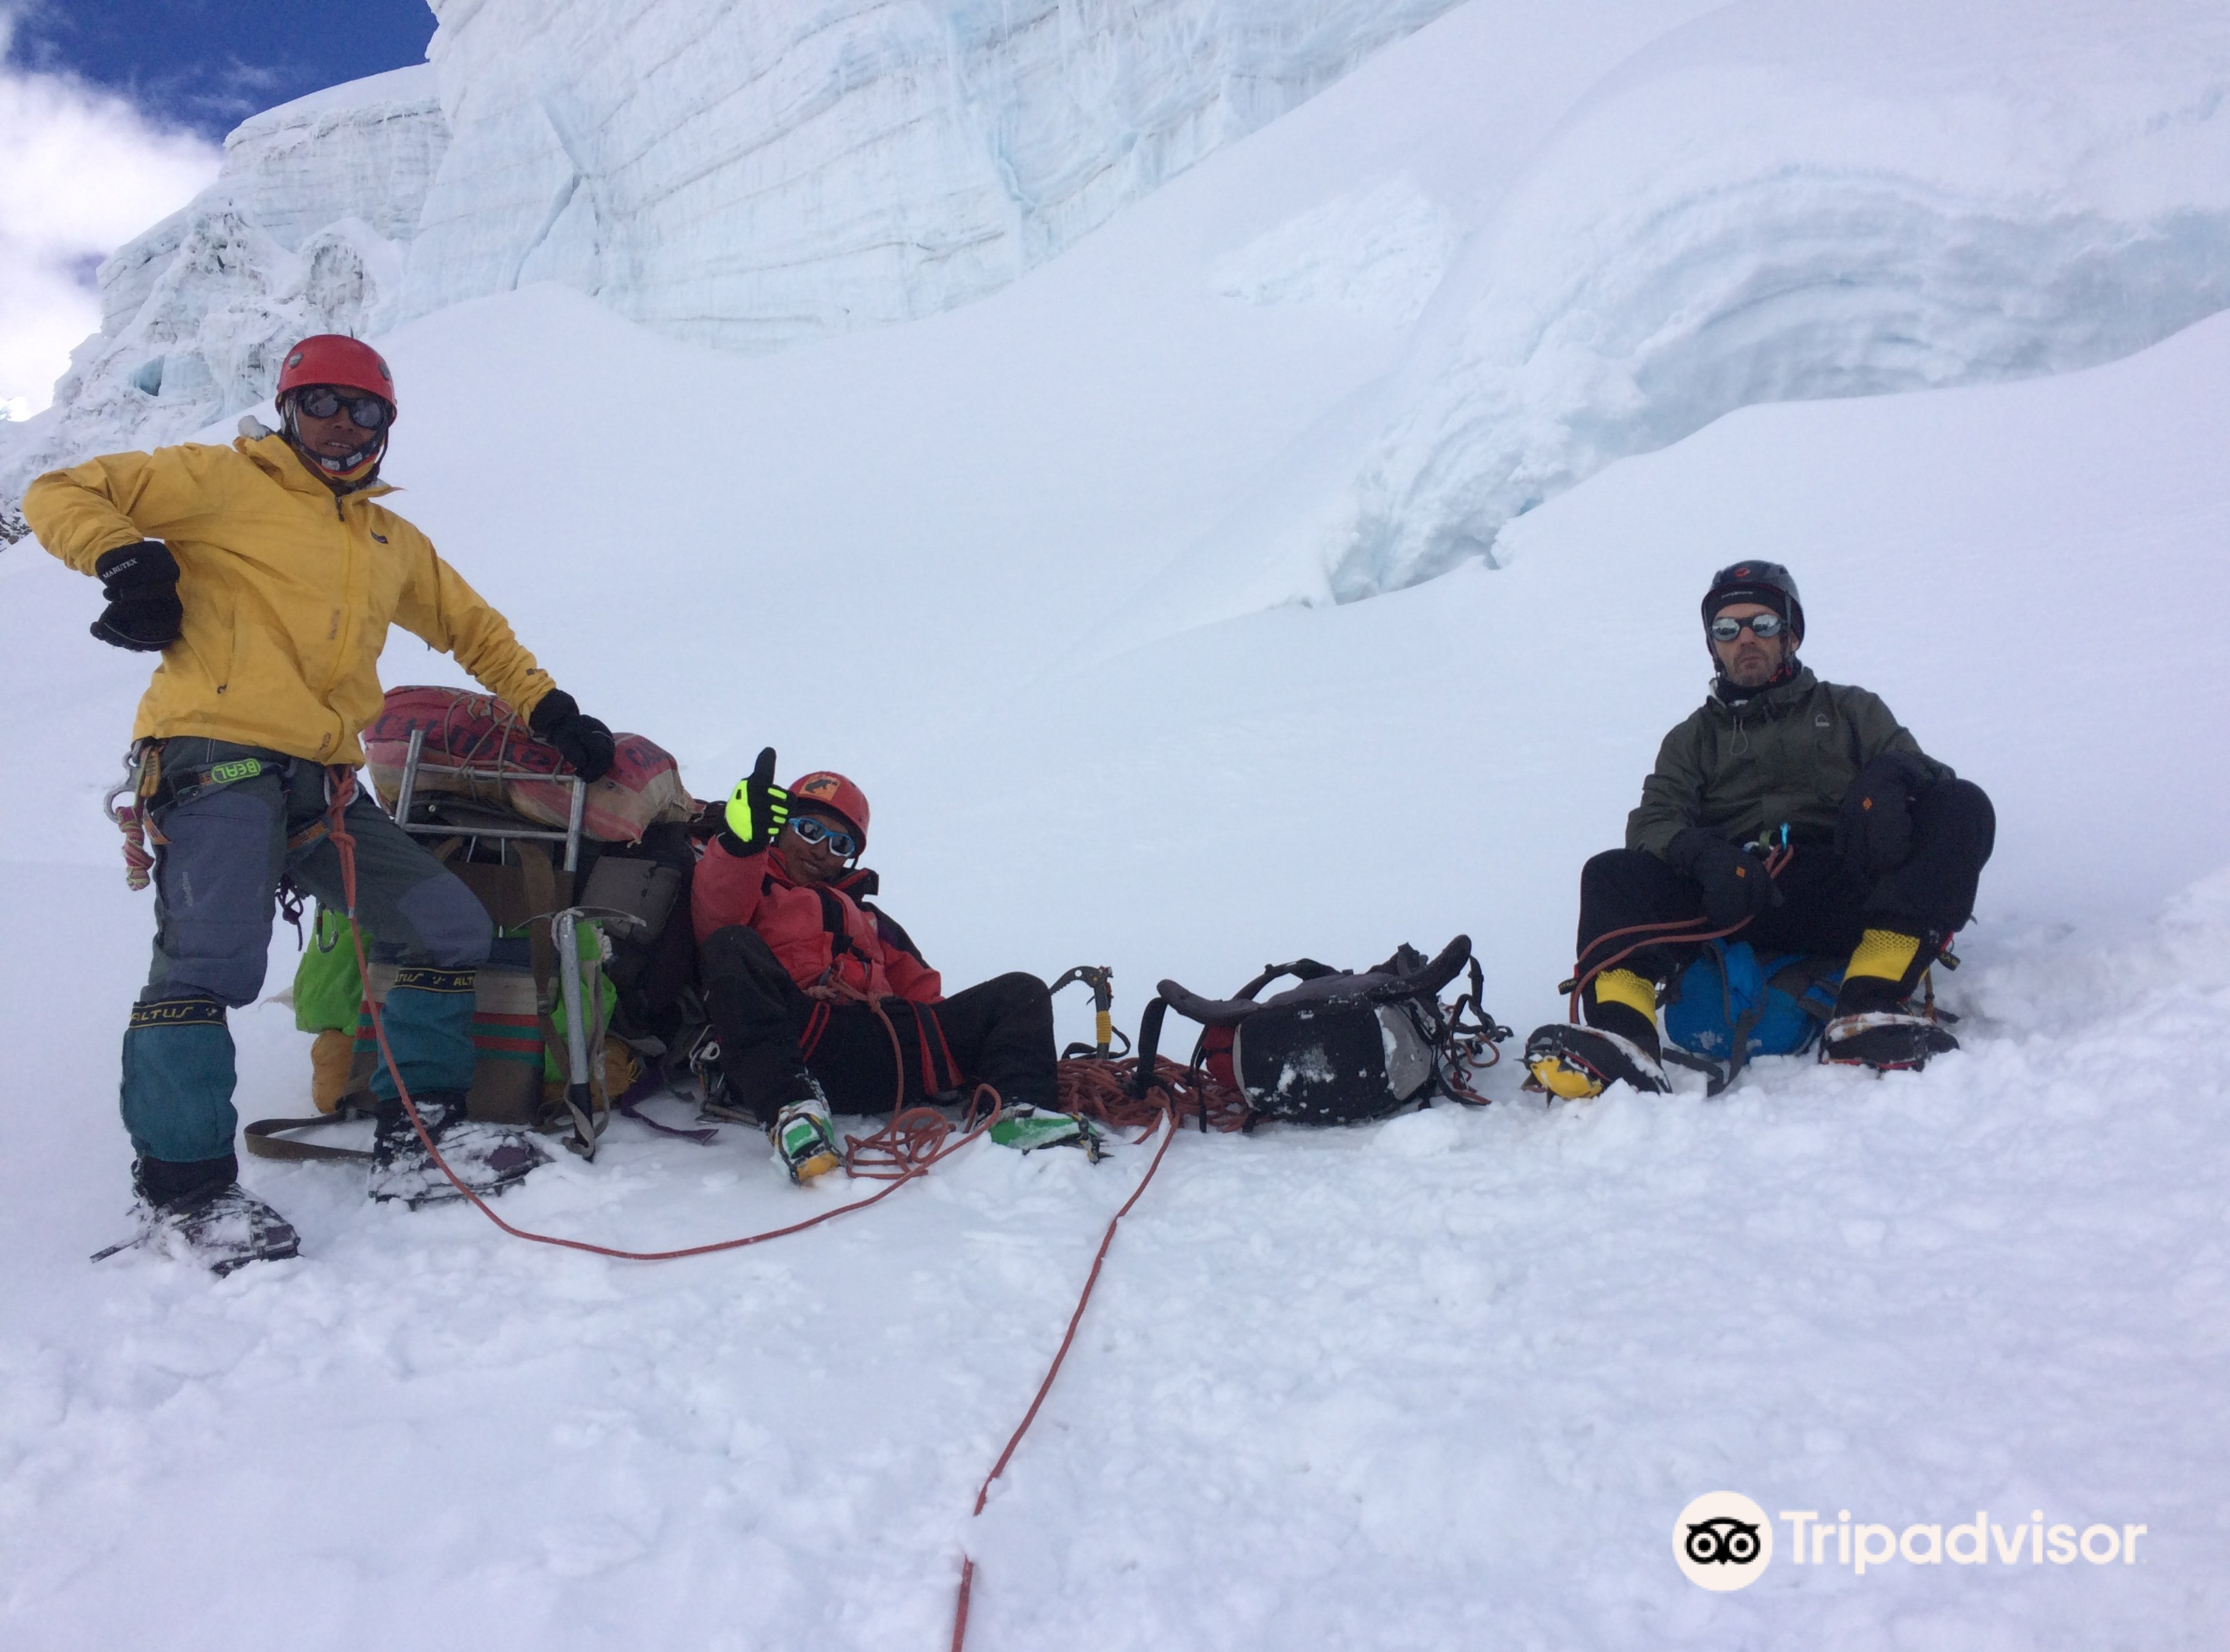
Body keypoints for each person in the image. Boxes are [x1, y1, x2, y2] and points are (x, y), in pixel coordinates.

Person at [24, 334, 618, 1270]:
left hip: (326, 785)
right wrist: (125, 561)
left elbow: (473, 630)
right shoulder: (219, 481)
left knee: (446, 927)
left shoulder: (389, 539)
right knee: (208, 964)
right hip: (214, 756)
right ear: (287, 410)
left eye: (364, 408)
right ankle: (187, 1192)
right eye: (320, 403)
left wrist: (550, 708)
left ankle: (419, 1131)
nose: (342, 423)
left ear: (387, 425)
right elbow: (57, 492)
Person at [1524, 561, 1996, 1097]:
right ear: (1713, 646)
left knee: (1962, 806)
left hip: (1840, 889)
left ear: (1791, 634)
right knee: (1612, 873)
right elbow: (1654, 820)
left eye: (1762, 624)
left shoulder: (1850, 711)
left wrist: (1890, 780)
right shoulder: (1692, 739)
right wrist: (1704, 855)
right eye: (1727, 629)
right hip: (1734, 896)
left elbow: (1931, 775)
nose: (1745, 638)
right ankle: (1623, 1039)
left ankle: (1869, 1005)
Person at [691, 749, 1058, 1181]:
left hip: (882, 1045)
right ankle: (793, 1111)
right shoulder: (754, 883)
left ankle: (1016, 1112)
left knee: (1021, 991)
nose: (821, 851)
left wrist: (975, 1048)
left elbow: (925, 995)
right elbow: (715, 916)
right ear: (778, 830)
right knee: (730, 945)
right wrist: (739, 844)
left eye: (839, 844)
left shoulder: (873, 920)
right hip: (798, 1042)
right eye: (808, 830)